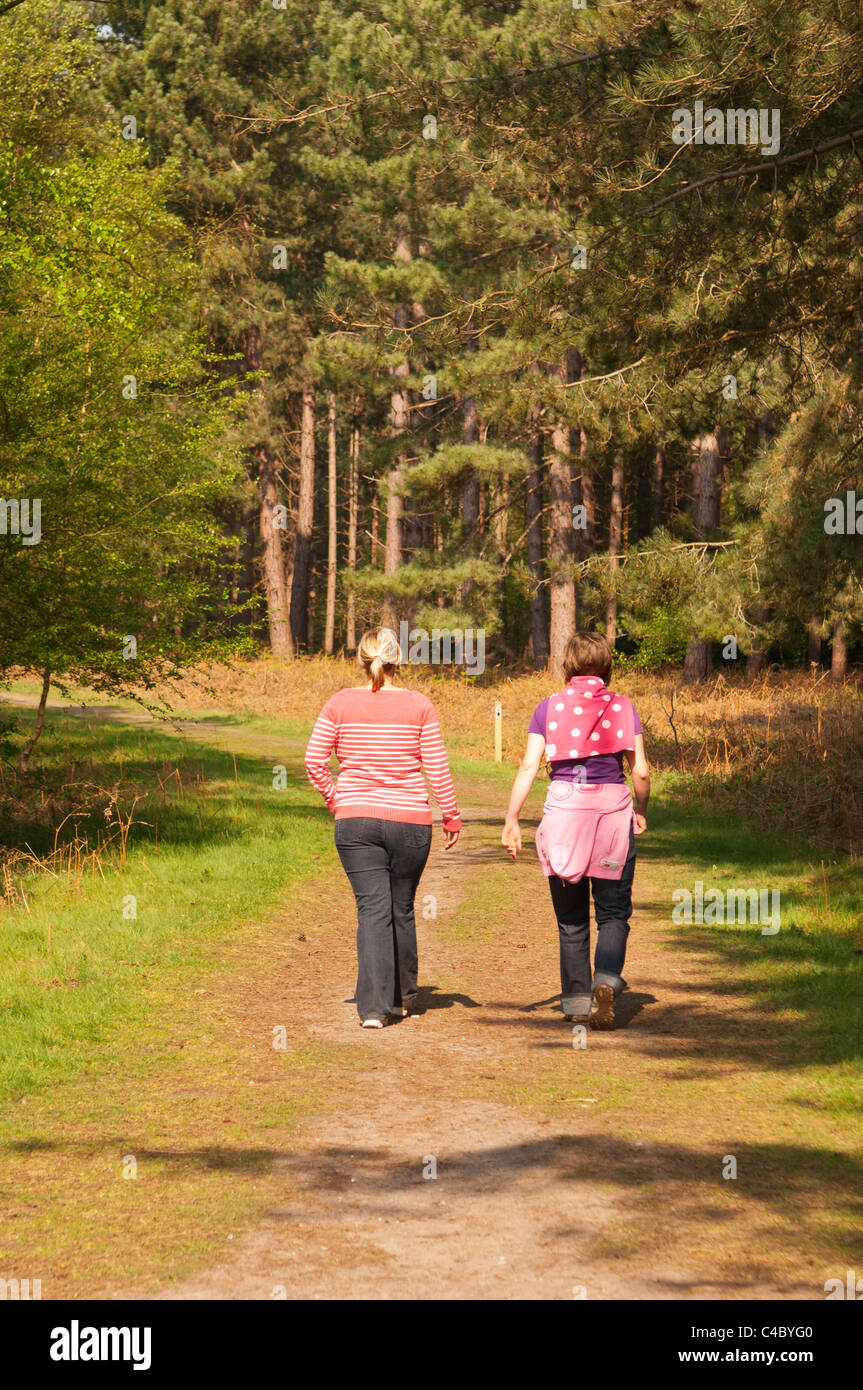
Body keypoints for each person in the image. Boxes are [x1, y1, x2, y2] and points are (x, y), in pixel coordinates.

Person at [305, 627, 461, 1028]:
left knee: (372, 910)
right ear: (397, 660)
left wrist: (336, 798)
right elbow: (437, 766)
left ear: (361, 658)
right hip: (410, 820)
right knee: (401, 908)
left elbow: (313, 761)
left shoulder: (339, 703)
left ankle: (374, 1009)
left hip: (356, 820)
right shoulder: (419, 704)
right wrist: (451, 813)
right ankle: (401, 999)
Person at [501, 631, 650, 1030]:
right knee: (614, 912)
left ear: (567, 664)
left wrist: (512, 818)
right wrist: (641, 809)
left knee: (571, 920)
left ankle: (577, 1003)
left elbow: (530, 766)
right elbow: (641, 770)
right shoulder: (623, 706)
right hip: (613, 812)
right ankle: (605, 979)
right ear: (606, 665)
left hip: (565, 811)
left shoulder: (547, 708)